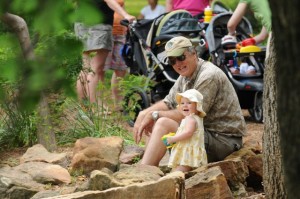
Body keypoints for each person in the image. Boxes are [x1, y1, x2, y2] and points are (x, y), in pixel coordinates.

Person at [133, 36, 246, 166]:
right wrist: (145, 113)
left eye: (181, 57)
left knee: (163, 122)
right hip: (206, 135)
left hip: (224, 141)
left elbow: (188, 113)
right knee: (154, 119)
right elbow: (168, 103)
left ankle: (145, 172)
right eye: (172, 61)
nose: (178, 64)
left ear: (194, 53)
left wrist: (154, 115)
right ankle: (148, 170)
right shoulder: (186, 75)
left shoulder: (208, 76)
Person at [75, 0, 135, 109]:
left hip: (81, 21)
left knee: (85, 67)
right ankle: (95, 108)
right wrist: (125, 15)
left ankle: (84, 107)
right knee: (95, 68)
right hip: (98, 24)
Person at [165, 89, 207, 172]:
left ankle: (172, 181)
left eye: (189, 103)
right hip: (189, 150)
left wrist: (174, 139)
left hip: (187, 153)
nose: (185, 105)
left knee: (180, 170)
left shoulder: (190, 119)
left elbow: (188, 133)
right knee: (178, 169)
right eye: (182, 103)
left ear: (197, 105)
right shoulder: (196, 118)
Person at [104, 0, 128, 110]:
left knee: (121, 68)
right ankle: (100, 103)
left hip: (121, 31)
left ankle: (118, 103)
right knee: (100, 69)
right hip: (105, 30)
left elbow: (121, 6)